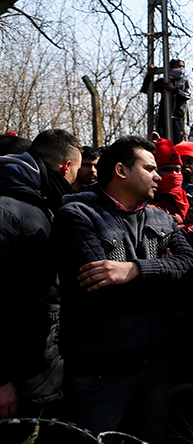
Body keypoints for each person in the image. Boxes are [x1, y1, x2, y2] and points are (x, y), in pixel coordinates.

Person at [53, 136, 193, 442]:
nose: (159, 176)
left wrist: (136, 269)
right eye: (150, 168)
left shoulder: (161, 217)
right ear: (121, 170)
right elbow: (106, 294)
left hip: (154, 369)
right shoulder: (77, 216)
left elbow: (190, 266)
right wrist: (165, 281)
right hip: (100, 374)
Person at [0, 129, 82, 419]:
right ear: (67, 167)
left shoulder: (43, 207)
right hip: (18, 375)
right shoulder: (8, 210)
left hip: (40, 366)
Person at [149, 139, 193, 248]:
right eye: (167, 169)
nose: (173, 175)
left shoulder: (190, 203)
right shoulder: (149, 205)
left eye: (177, 170)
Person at [142, 58, 191, 143]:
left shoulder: (184, 82)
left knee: (177, 143)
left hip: (178, 118)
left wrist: (174, 89)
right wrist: (149, 76)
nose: (181, 69)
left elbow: (187, 96)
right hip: (163, 118)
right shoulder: (164, 81)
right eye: (179, 66)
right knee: (162, 142)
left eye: (183, 67)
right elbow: (145, 90)